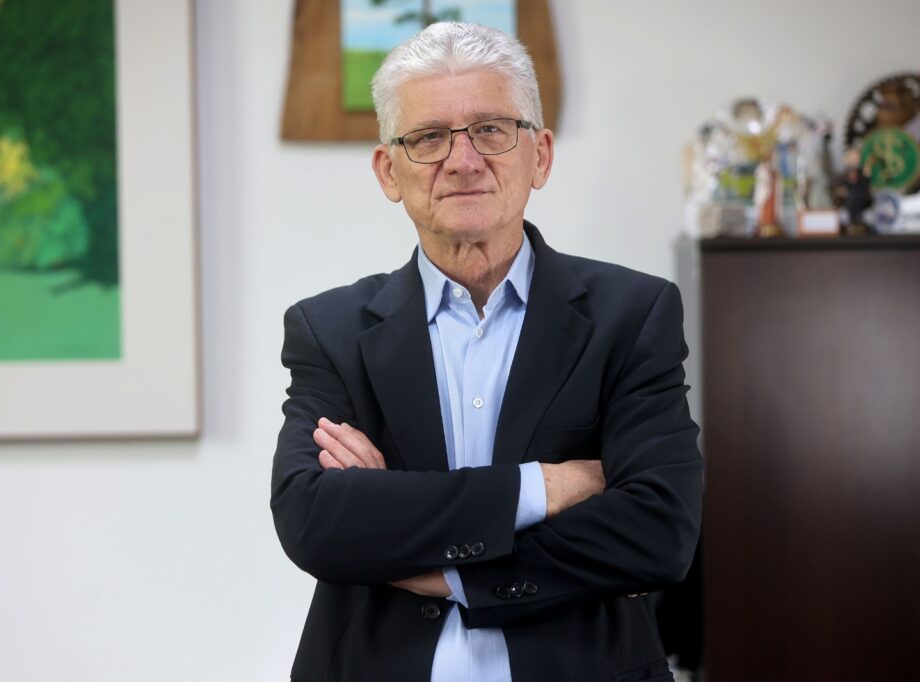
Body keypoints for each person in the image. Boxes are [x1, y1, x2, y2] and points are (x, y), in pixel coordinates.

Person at [271, 22, 702, 682]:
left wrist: (438, 563)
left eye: (491, 129)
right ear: (388, 170)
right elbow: (314, 521)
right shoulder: (329, 331)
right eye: (428, 137)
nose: (463, 160)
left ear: (541, 156)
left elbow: (659, 531)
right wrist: (547, 487)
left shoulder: (632, 316)